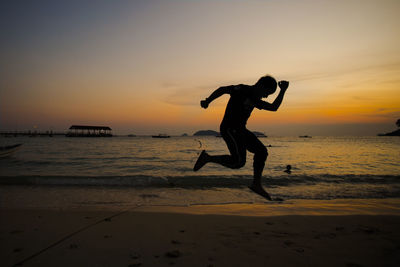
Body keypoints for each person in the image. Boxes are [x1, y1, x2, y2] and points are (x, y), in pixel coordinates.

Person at [193, 75, 289, 200]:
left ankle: (256, 184)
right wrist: (208, 100)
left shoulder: (255, 99)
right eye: (267, 93)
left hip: (241, 130)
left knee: (262, 152)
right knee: (238, 162)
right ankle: (207, 158)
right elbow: (222, 89)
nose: (266, 96)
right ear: (261, 85)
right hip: (229, 128)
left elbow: (273, 107)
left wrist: (283, 91)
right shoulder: (242, 89)